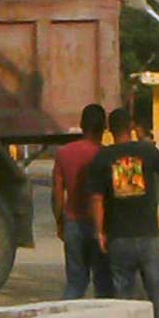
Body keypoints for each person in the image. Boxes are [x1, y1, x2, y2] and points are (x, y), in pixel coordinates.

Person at [84, 101, 159, 318]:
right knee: (157, 291)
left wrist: (100, 231)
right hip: (149, 235)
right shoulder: (146, 151)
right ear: (132, 127)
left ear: (109, 131)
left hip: (119, 236)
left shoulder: (102, 158)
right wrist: (146, 141)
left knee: (123, 294)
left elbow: (96, 199)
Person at [51, 103, 115, 301]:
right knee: (104, 284)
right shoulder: (108, 155)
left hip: (73, 223)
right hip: (101, 225)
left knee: (75, 283)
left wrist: (60, 222)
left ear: (81, 124)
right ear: (104, 127)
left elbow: (57, 193)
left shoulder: (64, 153)